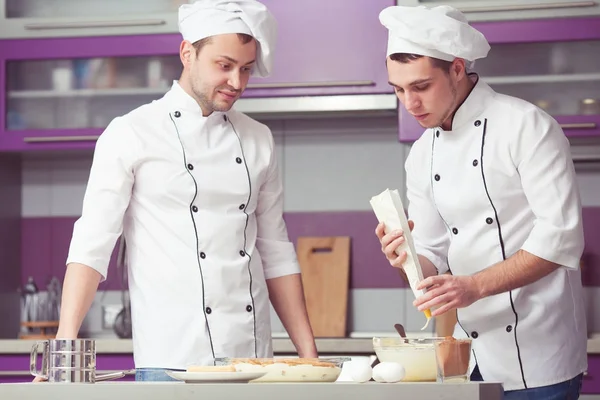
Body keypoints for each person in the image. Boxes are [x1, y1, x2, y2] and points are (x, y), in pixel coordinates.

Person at [47, 0, 317, 382]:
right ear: (187, 53)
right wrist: (64, 350)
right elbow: (92, 245)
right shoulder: (132, 133)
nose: (237, 83)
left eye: (246, 69)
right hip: (170, 359)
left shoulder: (259, 140)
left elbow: (275, 252)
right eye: (224, 66)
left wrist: (309, 356)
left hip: (253, 361)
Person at [374, 5, 586, 399]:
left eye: (420, 87)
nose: (409, 103)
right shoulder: (422, 153)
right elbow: (433, 257)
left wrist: (473, 286)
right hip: (471, 359)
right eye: (398, 90)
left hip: (540, 357)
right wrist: (406, 259)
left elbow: (561, 239)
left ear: (456, 68)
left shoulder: (527, 126)